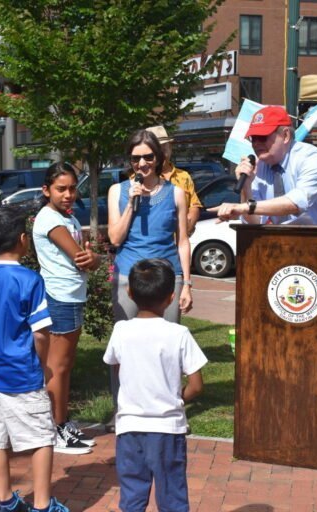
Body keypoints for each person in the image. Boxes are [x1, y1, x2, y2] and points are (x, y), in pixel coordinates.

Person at [0, 206, 70, 512]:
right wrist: (41, 366)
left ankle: (6, 500)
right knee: (43, 438)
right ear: (22, 239)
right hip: (22, 374)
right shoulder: (30, 280)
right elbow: (41, 333)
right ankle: (42, 505)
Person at [106, 129, 194, 433]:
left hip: (166, 278)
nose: (141, 163)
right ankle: (123, 411)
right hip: (127, 278)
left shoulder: (177, 193)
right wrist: (131, 202)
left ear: (159, 158)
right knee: (125, 349)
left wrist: (186, 283)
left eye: (147, 157)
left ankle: (170, 410)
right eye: (135, 158)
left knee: (168, 349)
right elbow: (115, 238)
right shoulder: (117, 192)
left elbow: (182, 241)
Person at [103, 258, 207, 512]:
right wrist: (176, 396)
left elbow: (117, 368)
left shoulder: (121, 330)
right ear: (171, 297)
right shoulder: (179, 334)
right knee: (172, 497)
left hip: (129, 427)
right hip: (168, 428)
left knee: (132, 497)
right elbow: (196, 385)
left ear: (129, 293)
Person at [33, 162, 100, 455]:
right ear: (46, 190)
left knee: (65, 365)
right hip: (59, 297)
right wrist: (92, 258)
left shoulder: (67, 218)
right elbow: (82, 258)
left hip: (72, 295)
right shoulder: (50, 220)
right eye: (61, 189)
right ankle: (56, 429)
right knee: (57, 367)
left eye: (73, 188)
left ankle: (62, 422)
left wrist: (92, 257)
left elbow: (88, 256)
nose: (69, 194)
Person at [209, 105, 317, 226]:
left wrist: (243, 207)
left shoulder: (310, 157)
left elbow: (296, 203)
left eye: (262, 137)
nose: (256, 144)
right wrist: (246, 187)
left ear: (285, 136)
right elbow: (254, 221)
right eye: (253, 138)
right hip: (294, 241)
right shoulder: (259, 166)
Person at [146, 126, 203, 235]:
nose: (161, 153)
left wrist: (186, 229)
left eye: (163, 147)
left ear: (170, 148)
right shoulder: (140, 179)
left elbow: (194, 205)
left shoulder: (184, 176)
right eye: (155, 149)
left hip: (180, 245)